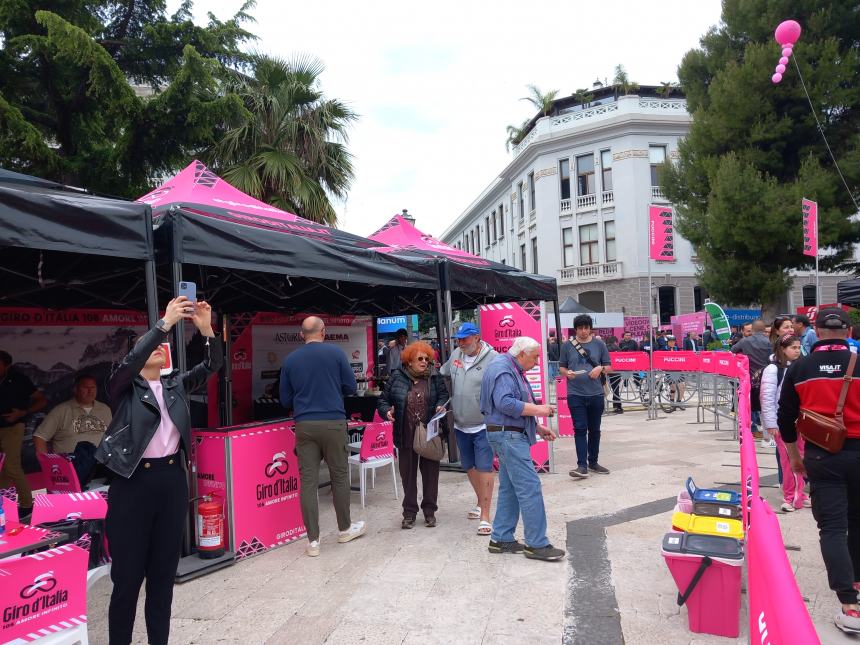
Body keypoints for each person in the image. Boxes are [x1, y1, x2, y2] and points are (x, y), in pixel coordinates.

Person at [97, 296, 221, 645]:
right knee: (127, 579)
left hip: (171, 482)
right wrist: (163, 324)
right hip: (132, 484)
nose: (156, 348)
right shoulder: (121, 388)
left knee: (162, 578)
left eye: (159, 345)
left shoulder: (174, 385)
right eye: (147, 346)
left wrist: (206, 329)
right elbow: (131, 361)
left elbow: (213, 366)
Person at [778, 308, 860, 634]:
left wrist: (794, 457)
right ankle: (855, 580)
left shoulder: (800, 367)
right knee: (857, 520)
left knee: (832, 528)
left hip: (823, 456)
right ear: (849, 330)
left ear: (816, 330)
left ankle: (850, 606)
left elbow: (785, 419)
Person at [279, 316, 366, 556]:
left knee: (308, 482)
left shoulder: (290, 360)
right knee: (339, 476)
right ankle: (344, 529)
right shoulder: (336, 354)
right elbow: (350, 387)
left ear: (301, 335)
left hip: (304, 424)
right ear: (324, 332)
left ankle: (313, 542)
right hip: (333, 422)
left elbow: (285, 400)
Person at [480, 336, 563, 561]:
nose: (537, 362)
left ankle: (501, 538)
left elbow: (508, 407)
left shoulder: (507, 367)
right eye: (535, 357)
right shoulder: (505, 369)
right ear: (522, 354)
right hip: (508, 436)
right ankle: (536, 544)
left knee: (510, 488)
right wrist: (539, 410)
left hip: (506, 433)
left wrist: (536, 427)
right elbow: (505, 404)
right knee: (529, 487)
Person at [378, 341, 448, 529]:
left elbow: (443, 395)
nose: (425, 361)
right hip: (405, 434)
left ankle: (430, 511)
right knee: (408, 476)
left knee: (431, 475)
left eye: (427, 358)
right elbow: (383, 400)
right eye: (420, 359)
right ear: (409, 361)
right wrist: (387, 412)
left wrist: (441, 405)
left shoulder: (435, 376)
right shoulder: (397, 377)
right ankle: (409, 513)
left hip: (429, 434)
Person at [440, 322, 497, 535]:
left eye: (464, 338)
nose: (460, 342)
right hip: (460, 423)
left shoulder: (493, 359)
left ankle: (485, 515)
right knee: (470, 467)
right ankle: (480, 502)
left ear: (476, 338)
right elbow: (443, 373)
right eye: (458, 339)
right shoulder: (457, 354)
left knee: (484, 468)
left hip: (483, 424)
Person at [33, 374, 112, 487]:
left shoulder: (105, 409)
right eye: (85, 387)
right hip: (72, 467)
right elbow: (39, 437)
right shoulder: (61, 410)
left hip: (101, 466)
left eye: (93, 387)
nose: (90, 391)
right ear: (75, 389)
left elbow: (112, 437)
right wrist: (49, 465)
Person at [559, 314, 612, 479]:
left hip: (596, 393)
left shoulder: (599, 344)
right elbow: (562, 367)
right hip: (575, 393)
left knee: (595, 430)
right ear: (575, 329)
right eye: (580, 328)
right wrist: (567, 373)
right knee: (580, 429)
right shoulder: (567, 345)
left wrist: (600, 369)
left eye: (586, 328)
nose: (583, 331)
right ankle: (581, 465)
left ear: (590, 328)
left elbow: (609, 366)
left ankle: (593, 462)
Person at [760, 333, 805, 512]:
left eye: (798, 347)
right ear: (782, 349)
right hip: (782, 423)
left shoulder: (799, 366)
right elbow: (767, 398)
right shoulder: (772, 369)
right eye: (793, 347)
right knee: (789, 461)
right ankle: (791, 496)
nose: (797, 350)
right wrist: (771, 424)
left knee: (800, 458)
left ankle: (800, 493)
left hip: (800, 422)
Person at [0, 350, 47, 521]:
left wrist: (22, 413)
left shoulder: (19, 380)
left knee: (11, 466)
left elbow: (41, 399)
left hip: (13, 426)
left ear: (7, 365)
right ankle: (5, 503)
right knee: (2, 468)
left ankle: (27, 504)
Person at [731, 320, 771, 438]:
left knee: (750, 405)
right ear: (764, 330)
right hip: (767, 377)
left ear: (753, 330)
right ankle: (767, 432)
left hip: (750, 377)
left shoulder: (744, 341)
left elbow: (733, 350)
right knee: (766, 405)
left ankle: (751, 429)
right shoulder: (769, 342)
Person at [604, 335, 623, 414]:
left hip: (604, 370)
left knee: (602, 389)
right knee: (616, 389)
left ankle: (603, 407)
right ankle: (617, 406)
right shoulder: (617, 348)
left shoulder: (604, 348)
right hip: (615, 371)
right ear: (615, 341)